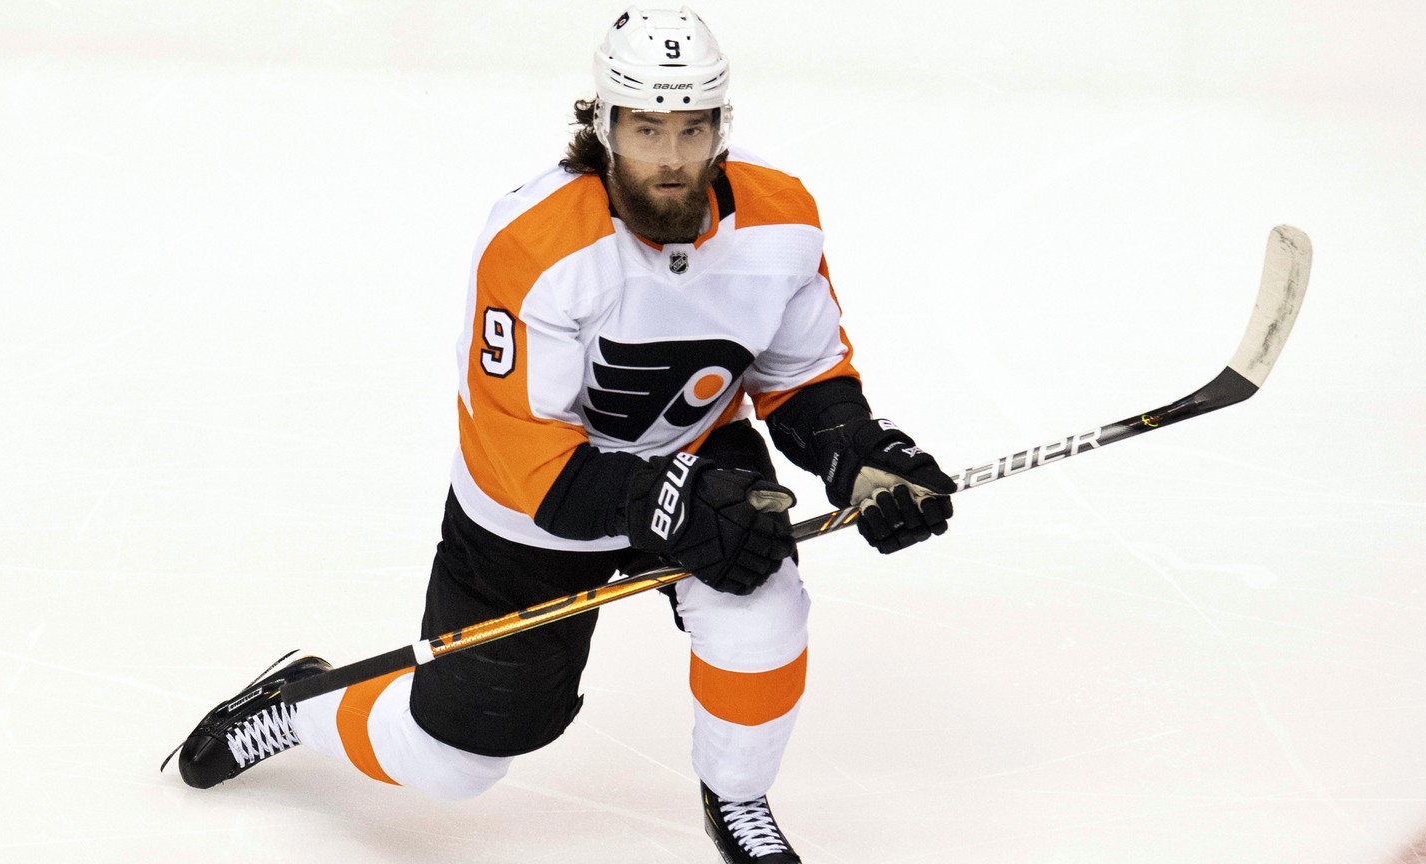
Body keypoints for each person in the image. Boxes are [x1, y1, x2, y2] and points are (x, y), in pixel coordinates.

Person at [165, 7, 954, 863]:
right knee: (454, 764)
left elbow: (800, 375)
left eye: (693, 128)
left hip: (695, 456)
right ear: (605, 122)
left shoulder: (784, 218)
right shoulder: (534, 242)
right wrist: (661, 502)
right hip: (532, 509)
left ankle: (738, 799)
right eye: (647, 127)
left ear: (722, 126)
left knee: (763, 610)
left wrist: (856, 453)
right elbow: (521, 455)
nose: (672, 154)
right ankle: (305, 701)